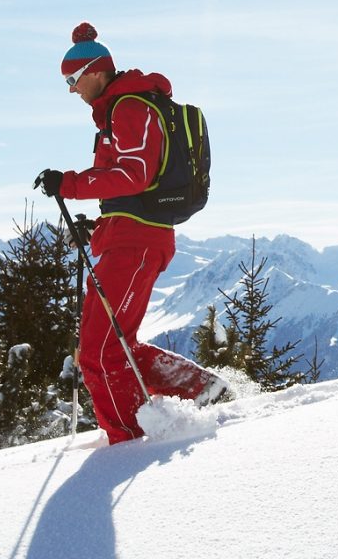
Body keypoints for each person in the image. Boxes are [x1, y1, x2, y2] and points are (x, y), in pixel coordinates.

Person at [34, 23, 229, 444]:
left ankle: (130, 441)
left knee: (98, 352)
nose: (70, 90)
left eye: (72, 79)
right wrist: (102, 221)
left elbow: (133, 174)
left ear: (95, 71)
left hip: (137, 241)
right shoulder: (121, 110)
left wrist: (69, 184)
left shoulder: (130, 107)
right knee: (117, 345)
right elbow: (128, 185)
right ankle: (204, 390)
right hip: (129, 235)